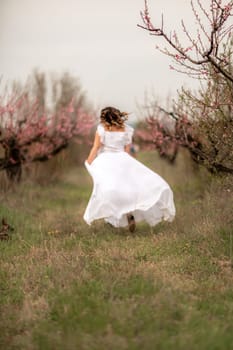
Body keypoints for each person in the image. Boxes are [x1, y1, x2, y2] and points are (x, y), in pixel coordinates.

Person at [83, 106, 175, 232]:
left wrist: (89, 161)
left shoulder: (102, 130)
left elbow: (96, 147)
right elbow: (127, 149)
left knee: (108, 187)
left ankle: (113, 213)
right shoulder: (126, 130)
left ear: (105, 118)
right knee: (126, 187)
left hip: (106, 160)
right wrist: (129, 163)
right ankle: (127, 213)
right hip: (123, 159)